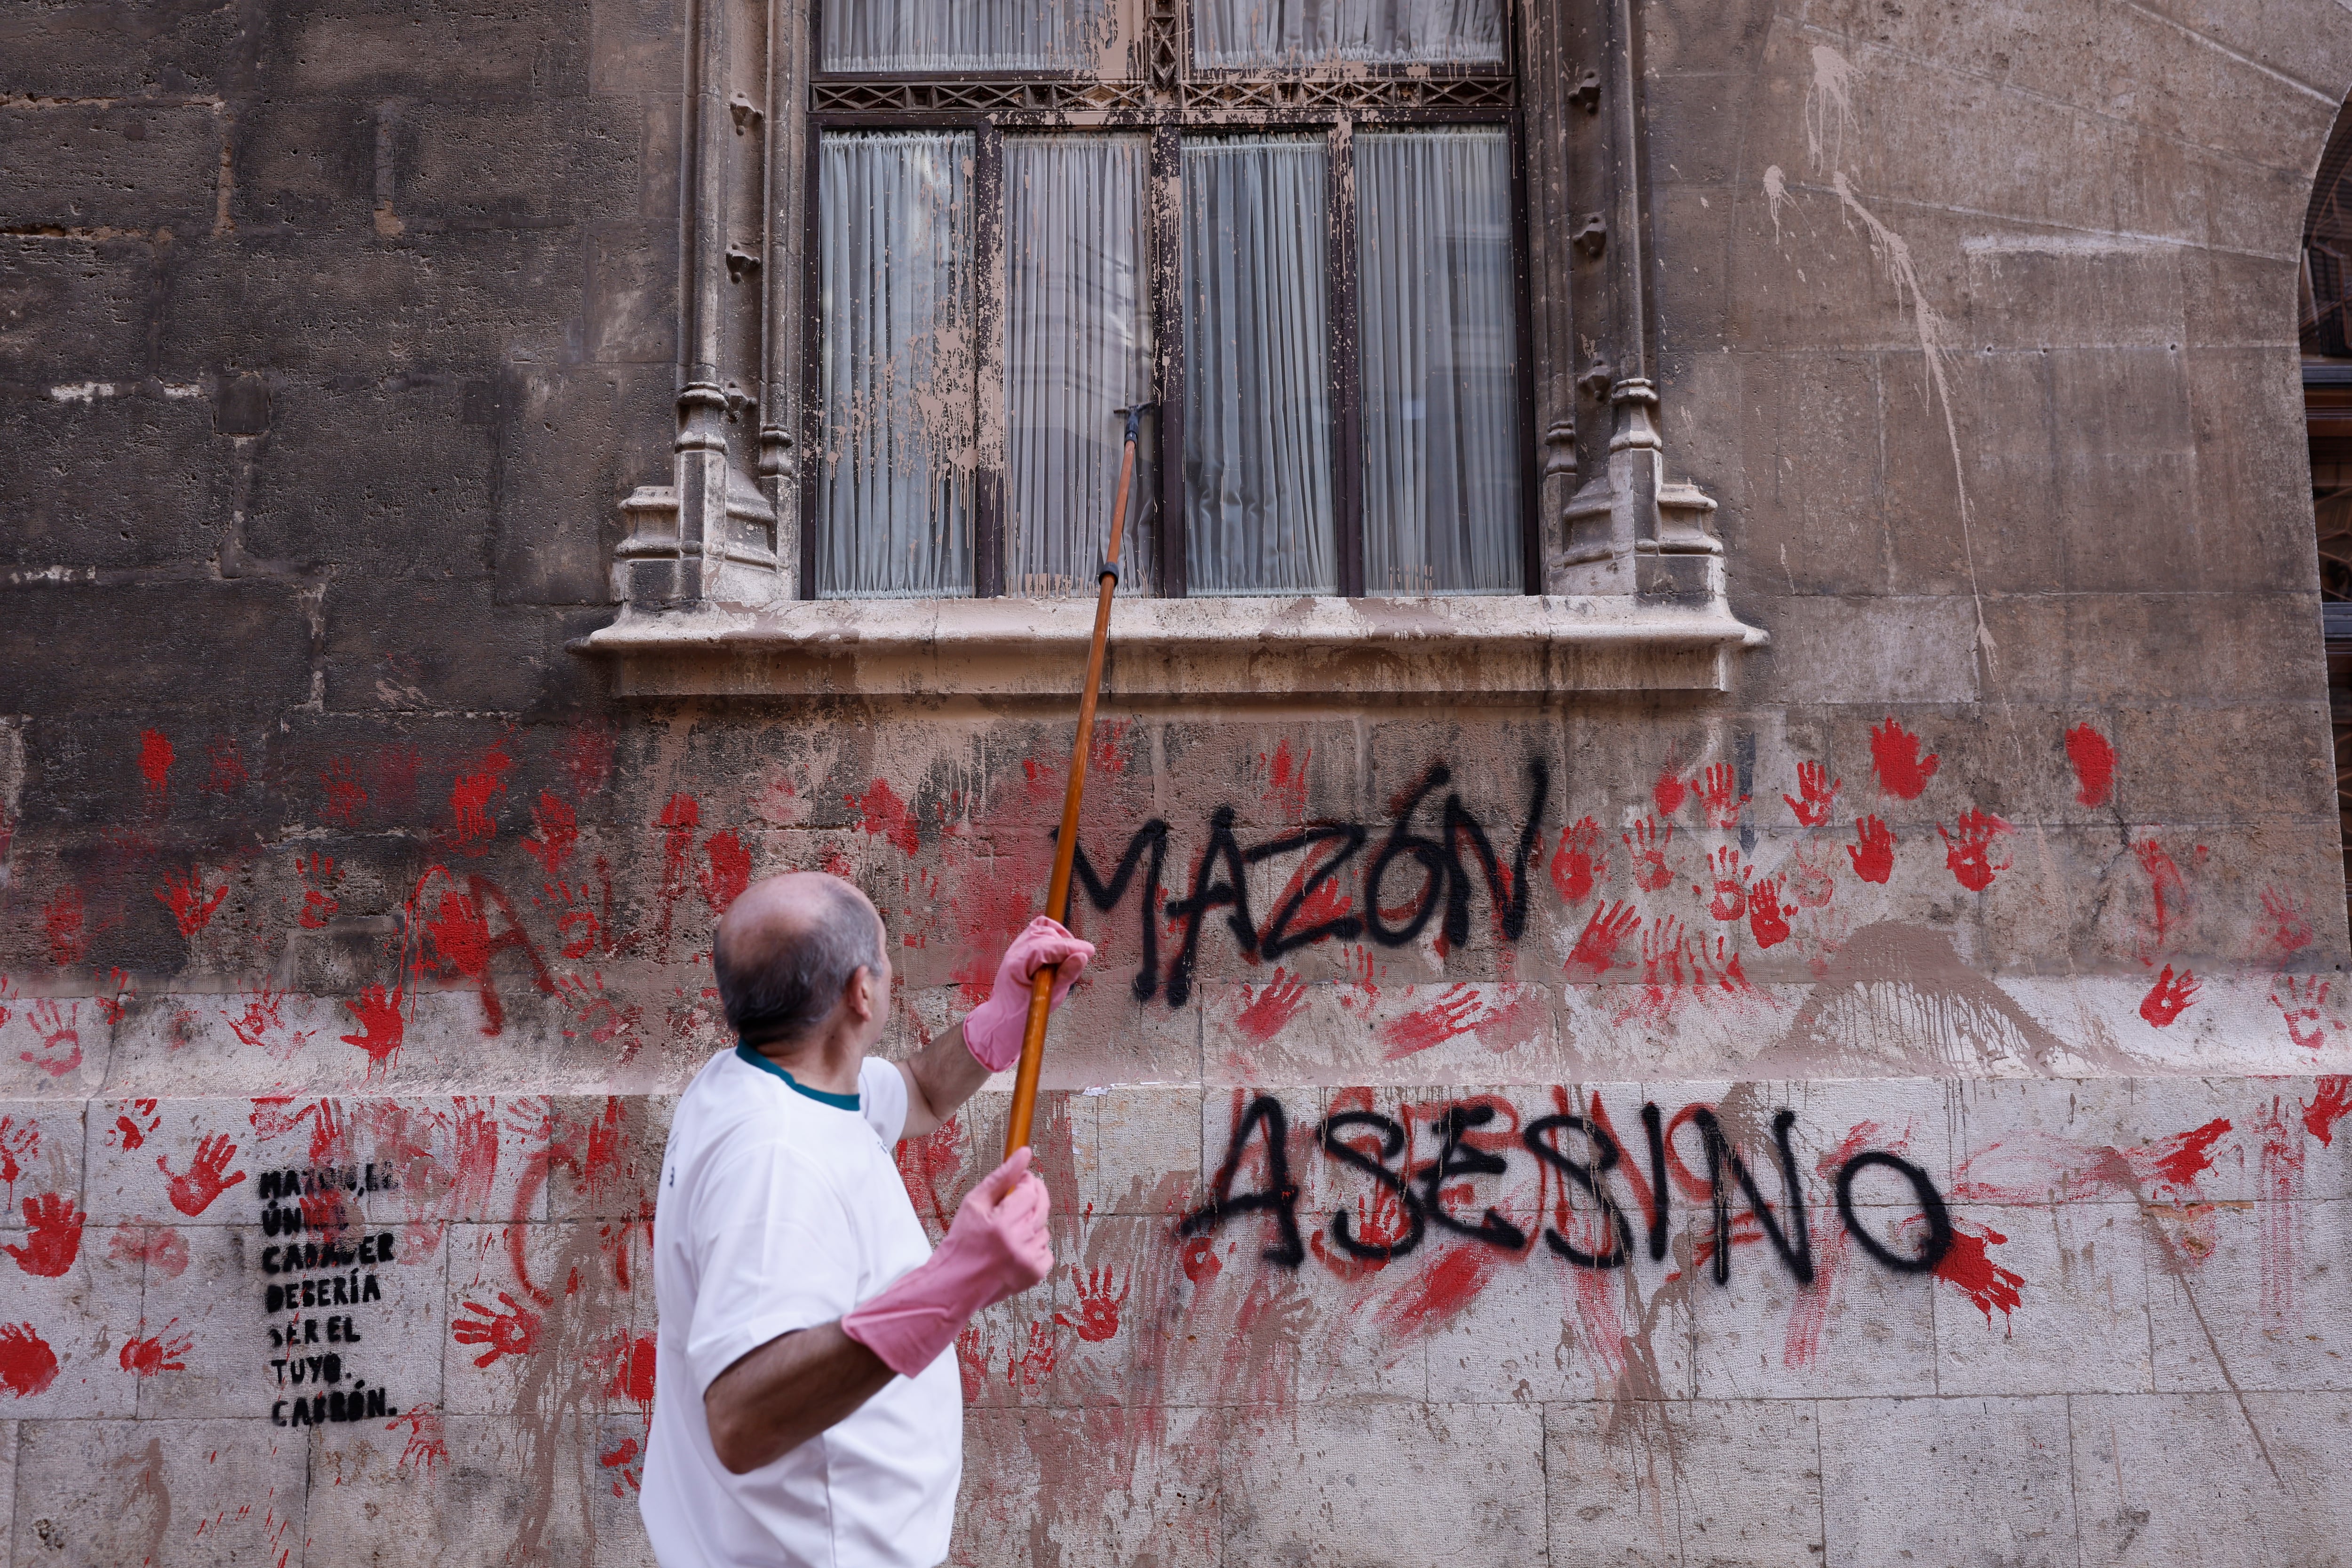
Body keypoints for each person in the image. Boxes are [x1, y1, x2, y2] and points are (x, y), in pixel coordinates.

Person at [640, 871, 1095, 1568]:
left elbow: (915, 1090)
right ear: (862, 991)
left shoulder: (763, 1077)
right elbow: (741, 1419)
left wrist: (1003, 1016)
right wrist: (953, 1283)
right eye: (884, 956)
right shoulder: (774, 1163)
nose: (889, 972)